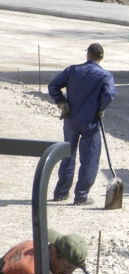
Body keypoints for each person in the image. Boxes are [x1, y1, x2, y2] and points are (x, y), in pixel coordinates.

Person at [48, 43, 116, 206]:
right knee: (89, 159)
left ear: (88, 55)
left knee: (67, 156)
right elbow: (109, 95)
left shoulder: (73, 70)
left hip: (71, 121)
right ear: (102, 58)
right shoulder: (105, 76)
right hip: (90, 122)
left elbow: (53, 86)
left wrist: (63, 103)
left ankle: (61, 193)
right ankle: (81, 196)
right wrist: (100, 109)